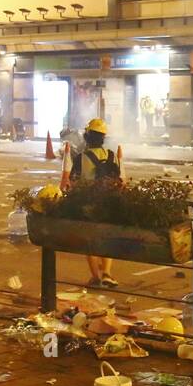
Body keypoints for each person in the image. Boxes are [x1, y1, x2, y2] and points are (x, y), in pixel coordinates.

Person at [62, 118, 124, 288]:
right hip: (108, 203)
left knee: (89, 240)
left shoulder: (81, 158)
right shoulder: (112, 155)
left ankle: (95, 277)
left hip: (87, 204)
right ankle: (107, 273)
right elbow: (119, 179)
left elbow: (72, 181)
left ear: (87, 137)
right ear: (104, 138)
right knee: (106, 237)